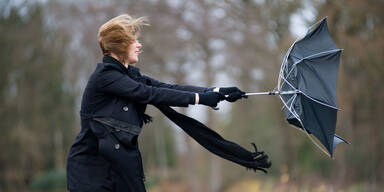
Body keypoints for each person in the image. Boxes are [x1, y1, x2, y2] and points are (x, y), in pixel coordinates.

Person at [66, 14, 246, 192]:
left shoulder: (129, 76)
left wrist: (215, 92)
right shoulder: (105, 76)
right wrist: (200, 99)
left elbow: (169, 87)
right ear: (120, 46)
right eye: (133, 41)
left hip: (119, 167)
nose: (139, 45)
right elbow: (148, 93)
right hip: (92, 173)